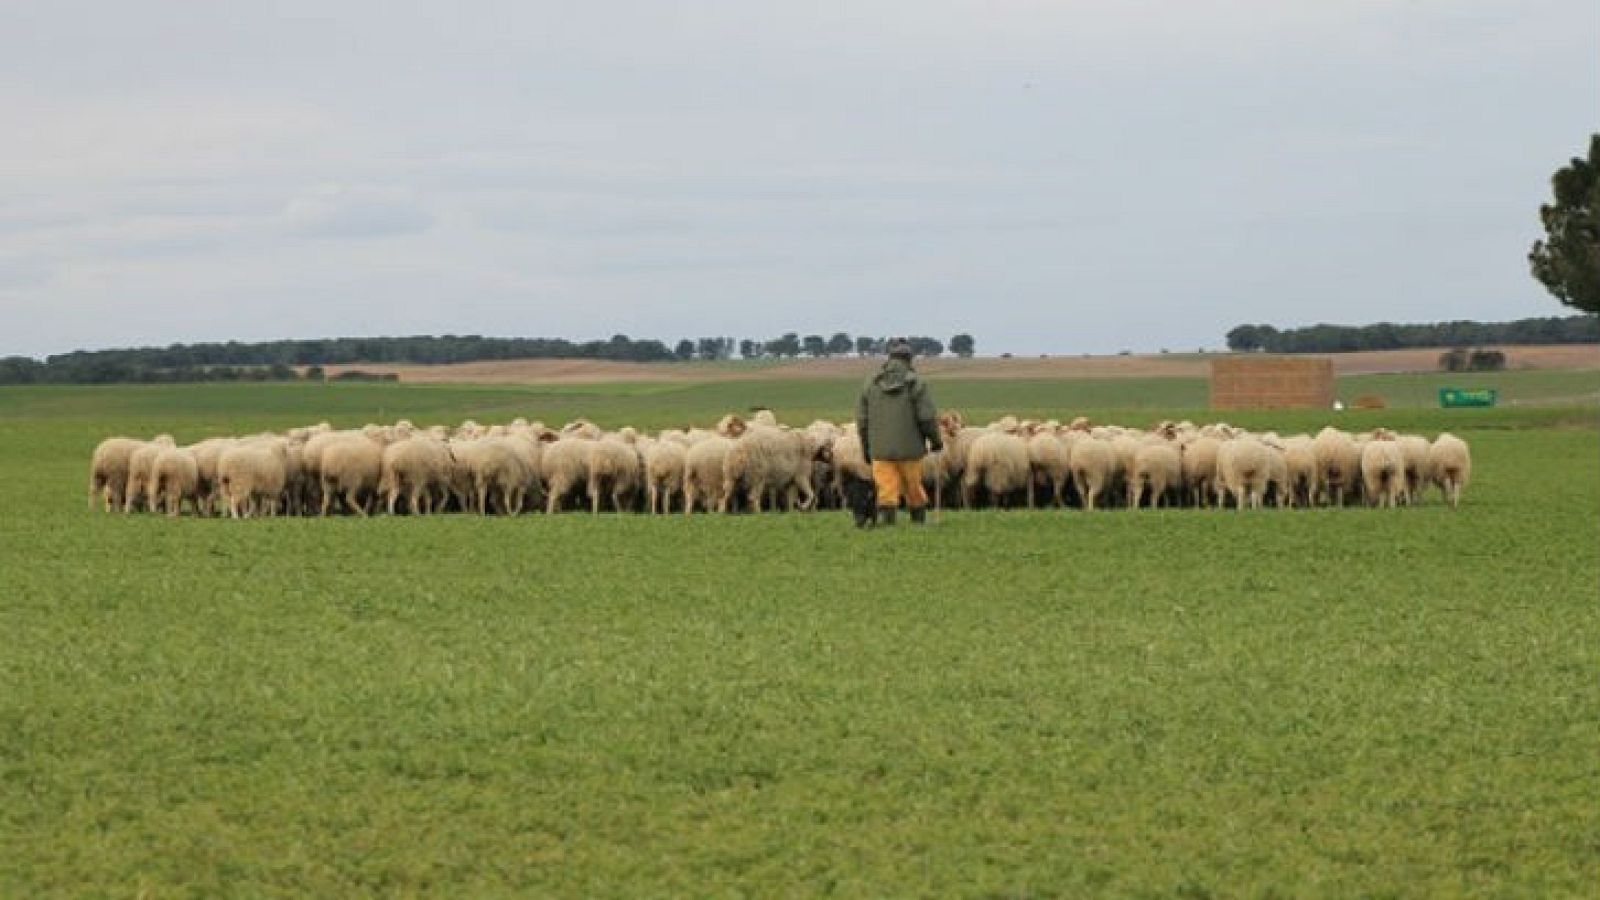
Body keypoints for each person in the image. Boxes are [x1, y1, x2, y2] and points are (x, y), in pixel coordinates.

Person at [855, 338, 942, 526]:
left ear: (889, 358)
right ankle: (917, 521)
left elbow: (862, 420)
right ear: (909, 360)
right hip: (910, 448)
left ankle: (888, 524)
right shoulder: (916, 383)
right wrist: (935, 440)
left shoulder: (871, 383)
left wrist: (866, 447)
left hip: (880, 448)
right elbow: (926, 417)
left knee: (886, 487)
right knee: (913, 485)